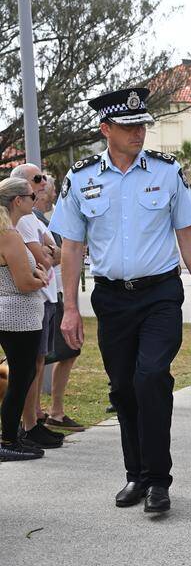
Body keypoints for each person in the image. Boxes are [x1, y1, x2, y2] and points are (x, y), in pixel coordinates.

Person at [49, 87, 191, 513]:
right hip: (111, 299)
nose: (139, 132)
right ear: (106, 130)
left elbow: (186, 232)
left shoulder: (165, 171)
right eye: (129, 126)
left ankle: (159, 481)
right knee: (123, 387)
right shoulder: (81, 178)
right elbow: (70, 246)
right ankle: (135, 475)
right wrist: (70, 307)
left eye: (142, 125)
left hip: (160, 293)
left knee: (151, 377)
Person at [10, 164, 64, 450]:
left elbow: (56, 253)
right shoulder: (23, 221)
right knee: (30, 366)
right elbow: (45, 259)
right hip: (33, 302)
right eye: (37, 179)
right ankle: (27, 425)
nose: (43, 183)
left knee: (37, 363)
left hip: (46, 299)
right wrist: (50, 253)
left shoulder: (35, 218)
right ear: (20, 192)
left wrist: (51, 253)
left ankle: (33, 421)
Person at [0, 178, 49, 461]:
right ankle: (8, 439)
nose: (36, 198)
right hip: (18, 317)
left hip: (14, 315)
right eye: (32, 195)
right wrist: (40, 277)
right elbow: (23, 282)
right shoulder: (10, 235)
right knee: (21, 376)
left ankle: (11, 435)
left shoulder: (9, 233)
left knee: (22, 374)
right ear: (18, 201)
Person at [33, 179, 84, 431]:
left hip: (58, 294)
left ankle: (51, 411)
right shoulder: (30, 220)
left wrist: (59, 252)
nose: (52, 191)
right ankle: (41, 413)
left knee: (67, 352)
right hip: (45, 297)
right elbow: (47, 256)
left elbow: (58, 252)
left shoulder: (46, 220)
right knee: (42, 357)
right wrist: (60, 252)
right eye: (46, 186)